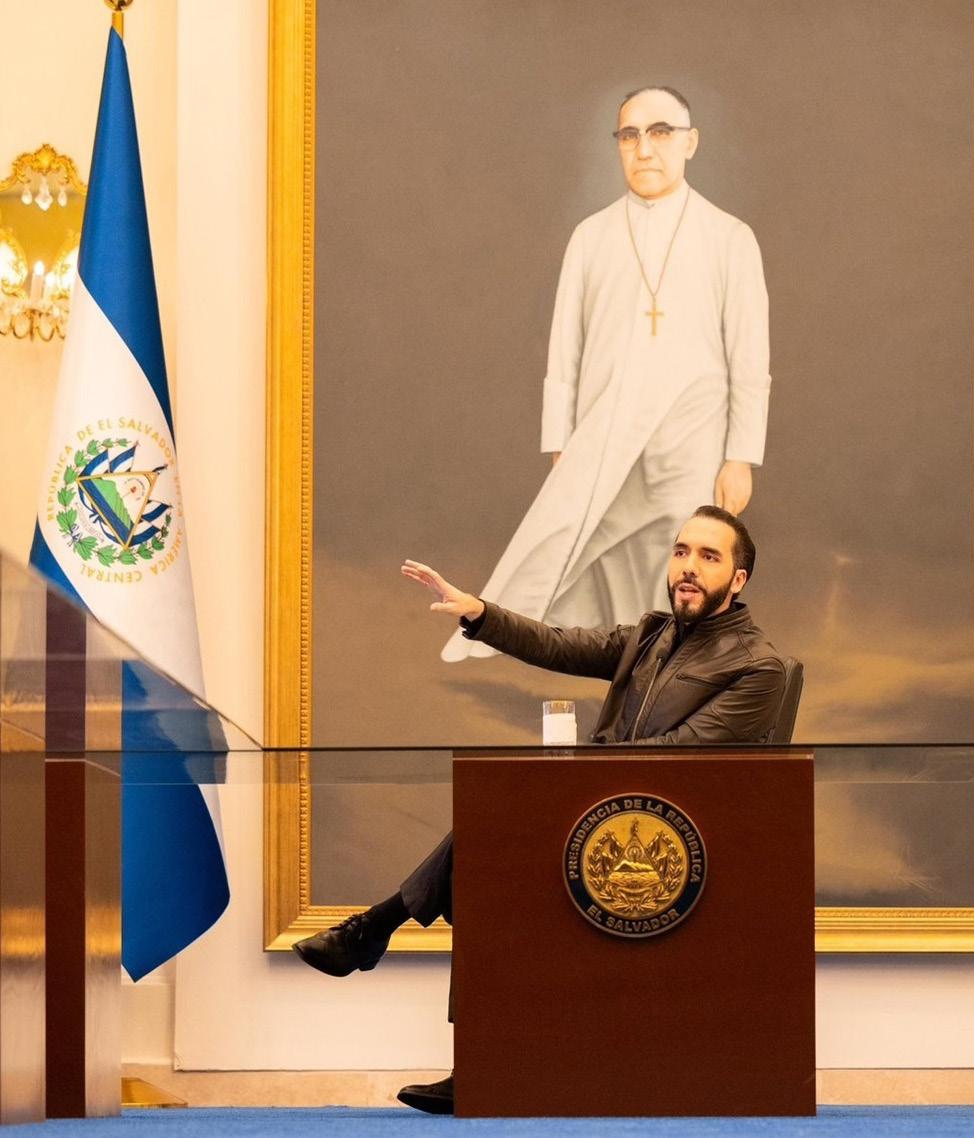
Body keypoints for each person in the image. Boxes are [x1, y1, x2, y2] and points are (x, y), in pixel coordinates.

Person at [294, 506, 789, 1113]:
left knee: (496, 822)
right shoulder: (650, 637)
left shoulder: (758, 667)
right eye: (681, 551)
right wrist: (479, 613)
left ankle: (378, 929)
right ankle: (471, 1053)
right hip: (604, 817)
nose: (688, 567)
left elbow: (674, 757)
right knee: (488, 849)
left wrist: (568, 781)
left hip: (677, 850)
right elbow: (558, 644)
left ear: (738, 579)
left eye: (709, 556)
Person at [442, 85, 771, 662]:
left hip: (691, 436)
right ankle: (622, 678)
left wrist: (740, 454)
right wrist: (561, 440)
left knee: (676, 566)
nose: (644, 148)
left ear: (690, 142)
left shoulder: (730, 238)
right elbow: (565, 347)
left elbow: (749, 356)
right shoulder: (590, 237)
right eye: (630, 135)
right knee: (602, 563)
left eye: (661, 132)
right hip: (606, 432)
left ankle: (667, 683)